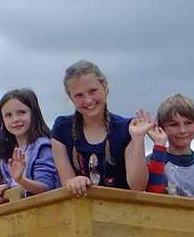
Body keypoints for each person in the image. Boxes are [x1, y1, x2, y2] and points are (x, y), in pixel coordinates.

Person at [50, 60, 152, 197]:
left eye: (93, 91)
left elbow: (138, 186)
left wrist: (138, 139)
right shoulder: (61, 128)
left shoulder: (125, 128)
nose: (88, 100)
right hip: (81, 210)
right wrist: (74, 182)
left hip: (122, 212)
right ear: (70, 97)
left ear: (104, 87)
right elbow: (67, 181)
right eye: (79, 95)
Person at [0, 88, 60, 195]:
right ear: (2, 121)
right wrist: (4, 189)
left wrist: (20, 180)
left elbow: (46, 187)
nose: (15, 119)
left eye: (21, 112)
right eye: (8, 115)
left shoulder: (43, 147)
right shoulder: (7, 154)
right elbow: (14, 187)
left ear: (33, 113)